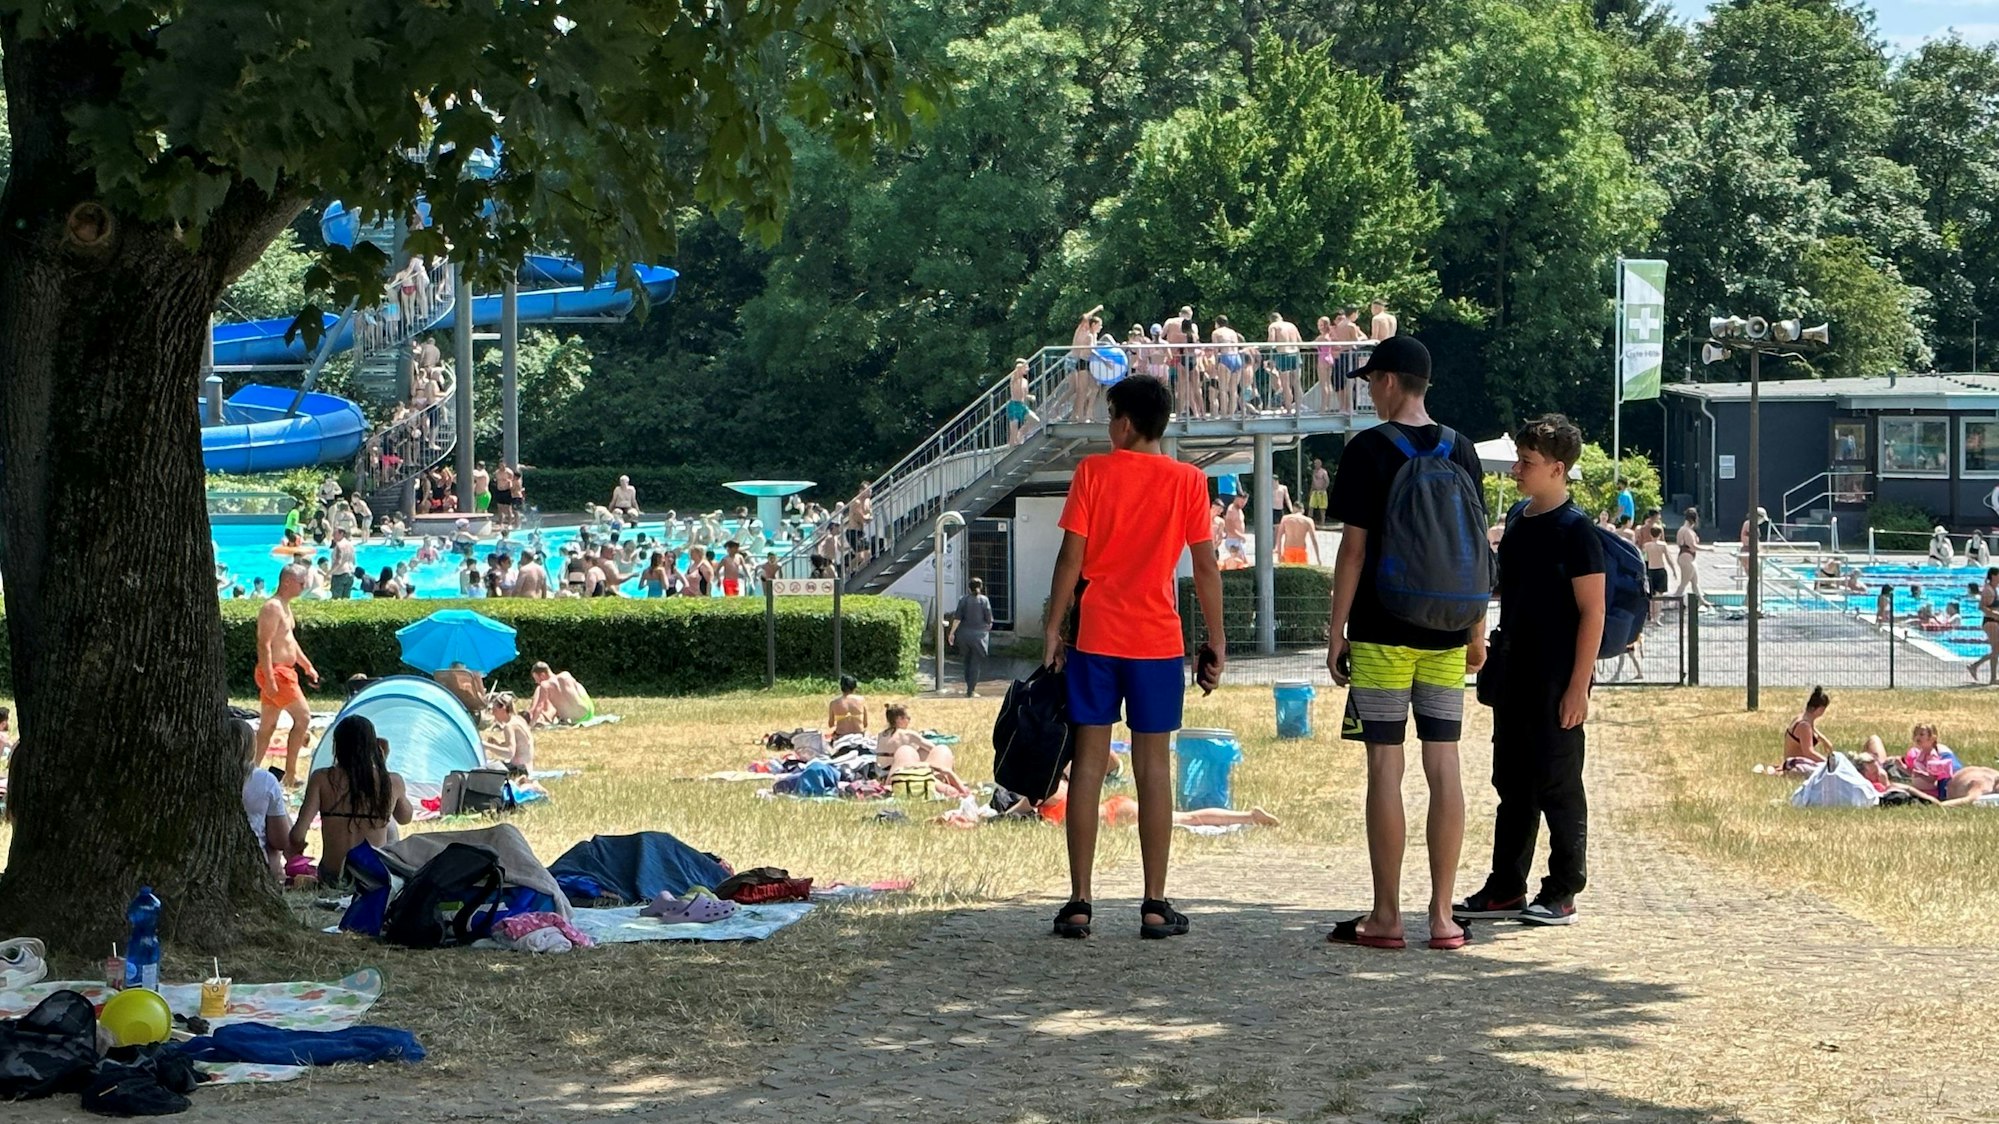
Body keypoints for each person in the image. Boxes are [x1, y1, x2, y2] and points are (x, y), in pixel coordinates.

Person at [1042, 373, 1226, 941]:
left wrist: (1054, 627)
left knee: (1090, 767)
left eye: (1108, 418)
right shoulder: (1189, 482)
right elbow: (1205, 567)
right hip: (1157, 642)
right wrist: (1217, 640)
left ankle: (1079, 901)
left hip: (1097, 638)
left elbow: (1071, 560)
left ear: (1124, 422)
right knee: (1152, 769)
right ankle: (1154, 903)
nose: (1107, 428)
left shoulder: (1092, 473)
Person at [1323, 335, 1482, 951]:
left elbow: (1354, 550)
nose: (1369, 390)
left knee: (1385, 768)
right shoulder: (1461, 449)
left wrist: (1336, 631)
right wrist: (1475, 631)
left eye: (1371, 380)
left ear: (1391, 381)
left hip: (1382, 633)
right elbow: (1471, 550)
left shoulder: (1368, 449)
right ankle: (1443, 918)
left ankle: (1386, 916)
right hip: (1445, 633)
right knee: (1444, 767)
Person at [1457, 414, 1604, 929]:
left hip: (1556, 678)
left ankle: (1563, 890)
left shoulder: (1578, 532)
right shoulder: (1519, 519)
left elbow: (1594, 612)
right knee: (1512, 783)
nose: (1517, 470)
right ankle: (1505, 887)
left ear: (1558, 469)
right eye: (1518, 459)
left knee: (1558, 786)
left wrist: (1578, 687)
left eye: (1528, 462)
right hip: (1513, 672)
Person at [289, 715, 412, 887]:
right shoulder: (392, 781)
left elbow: (297, 834)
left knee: (387, 819)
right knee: (389, 822)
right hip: (373, 878)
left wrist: (296, 852)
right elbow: (405, 817)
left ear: (337, 746)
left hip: (332, 877)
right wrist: (382, 766)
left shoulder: (321, 778)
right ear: (373, 746)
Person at [255, 564, 321, 786]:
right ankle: (290, 775)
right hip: (277, 672)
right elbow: (263, 645)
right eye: (301, 583)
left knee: (268, 726)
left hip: (285, 671)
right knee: (303, 718)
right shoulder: (272, 607)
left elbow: (289, 641)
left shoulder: (285, 606)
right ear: (287, 582)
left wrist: (306, 665)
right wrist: (270, 679)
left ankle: (249, 771)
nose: (304, 587)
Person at [237, 720, 291, 879]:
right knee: (273, 848)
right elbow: (281, 840)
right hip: (255, 862)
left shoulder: (202, 777)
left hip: (206, 861)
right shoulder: (264, 780)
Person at [1760, 686, 1833, 775]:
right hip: (1796, 766)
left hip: (1795, 763)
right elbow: (1808, 752)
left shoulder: (1803, 719)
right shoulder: (1804, 726)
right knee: (1827, 773)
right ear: (1821, 709)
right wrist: (1828, 763)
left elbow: (1813, 730)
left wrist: (1825, 741)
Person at [947, 577, 995, 697]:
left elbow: (957, 619)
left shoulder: (963, 600)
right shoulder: (984, 600)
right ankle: (971, 690)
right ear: (981, 587)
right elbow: (989, 620)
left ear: (968, 588)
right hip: (979, 637)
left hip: (964, 636)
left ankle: (969, 687)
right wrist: (987, 627)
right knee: (975, 663)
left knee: (966, 662)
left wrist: (951, 633)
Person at [483, 693, 536, 777]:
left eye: (494, 710)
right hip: (528, 767)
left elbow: (509, 753)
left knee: (483, 770)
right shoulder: (519, 719)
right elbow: (519, 745)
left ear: (503, 708)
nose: (493, 714)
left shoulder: (509, 726)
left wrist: (487, 746)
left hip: (520, 770)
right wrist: (498, 744)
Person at [1070, 304, 1106, 423]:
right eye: (1099, 325)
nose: (1101, 327)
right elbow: (1092, 351)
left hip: (1088, 364)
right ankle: (1080, 416)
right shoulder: (1088, 334)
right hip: (1082, 363)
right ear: (1094, 325)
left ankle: (1089, 414)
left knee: (1095, 388)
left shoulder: (1094, 335)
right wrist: (1097, 309)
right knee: (1082, 390)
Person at [527, 662, 595, 726]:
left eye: (536, 679)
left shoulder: (545, 685)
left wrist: (531, 724)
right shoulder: (565, 675)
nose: (536, 682)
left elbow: (540, 706)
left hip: (574, 719)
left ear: (542, 675)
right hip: (588, 711)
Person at [1674, 508, 1714, 611]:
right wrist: (1708, 549)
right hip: (1687, 557)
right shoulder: (1687, 531)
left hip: (1685, 556)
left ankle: (1702, 601)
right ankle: (1674, 601)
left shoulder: (1681, 529)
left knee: (1695, 581)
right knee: (1684, 583)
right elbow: (1693, 546)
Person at [1267, 311, 1304, 413]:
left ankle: (1288, 410)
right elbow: (1300, 342)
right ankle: (1298, 409)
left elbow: (1271, 342)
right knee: (1297, 383)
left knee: (1286, 385)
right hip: (1296, 354)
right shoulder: (1291, 325)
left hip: (1284, 354)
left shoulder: (1273, 326)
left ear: (1271, 320)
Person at [1970, 569, 1999, 683]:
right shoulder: (1988, 590)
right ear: (1993, 576)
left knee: (1996, 650)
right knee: (1996, 650)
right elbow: (1981, 607)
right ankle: (1975, 666)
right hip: (1990, 622)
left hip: (1995, 620)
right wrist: (1995, 614)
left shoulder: (1994, 589)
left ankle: (1992, 678)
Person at [1640, 524, 1671, 624]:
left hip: (1651, 571)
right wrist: (1674, 569)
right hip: (1661, 570)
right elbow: (1668, 558)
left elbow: (1644, 558)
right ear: (1660, 534)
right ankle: (1657, 617)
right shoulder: (1663, 545)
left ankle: (1652, 616)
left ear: (1650, 534)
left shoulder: (1647, 545)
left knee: (1651, 596)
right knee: (1659, 595)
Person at [1006, 358, 1041, 445]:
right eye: (1026, 367)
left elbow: (1024, 395)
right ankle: (1012, 446)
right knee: (1013, 433)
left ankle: (1021, 433)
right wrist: (1022, 362)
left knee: (1035, 420)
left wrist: (1030, 397)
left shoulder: (1025, 381)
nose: (1028, 369)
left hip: (1022, 405)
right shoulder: (1014, 378)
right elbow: (1017, 367)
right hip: (1014, 405)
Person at [828, 675, 868, 739]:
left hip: (841, 736)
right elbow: (865, 724)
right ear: (854, 687)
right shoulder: (861, 700)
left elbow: (830, 724)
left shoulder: (834, 702)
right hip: (859, 735)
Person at [326, 528, 356, 599]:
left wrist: (329, 573)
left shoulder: (339, 545)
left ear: (341, 534)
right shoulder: (351, 545)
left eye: (335, 533)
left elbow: (338, 562)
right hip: (350, 574)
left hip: (339, 575)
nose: (333, 535)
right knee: (346, 599)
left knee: (336, 599)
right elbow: (354, 561)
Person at [1308, 457, 1330, 525]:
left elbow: (1327, 481)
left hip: (1321, 492)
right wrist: (1311, 491)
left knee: (1322, 508)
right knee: (1311, 506)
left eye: (1317, 463)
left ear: (1320, 464)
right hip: (1315, 491)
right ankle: (1309, 521)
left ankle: (1322, 522)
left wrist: (1323, 489)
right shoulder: (1314, 472)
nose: (1315, 465)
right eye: (1314, 463)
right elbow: (1313, 482)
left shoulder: (1323, 472)